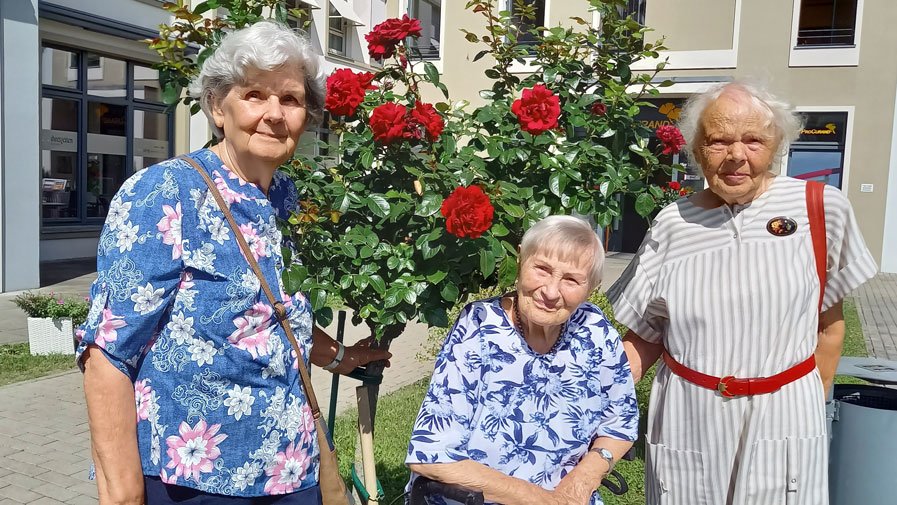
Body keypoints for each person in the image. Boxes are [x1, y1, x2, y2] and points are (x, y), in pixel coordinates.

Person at [77, 21, 390, 505]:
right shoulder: (165, 193)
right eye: (254, 95)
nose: (274, 114)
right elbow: (108, 354)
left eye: (290, 99)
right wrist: (121, 495)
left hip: (292, 470)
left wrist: (343, 357)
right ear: (219, 107)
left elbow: (269, 316)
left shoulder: (290, 199)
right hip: (196, 481)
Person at [607, 81, 878, 505]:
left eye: (754, 140)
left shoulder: (821, 208)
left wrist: (808, 406)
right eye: (719, 141)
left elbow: (829, 327)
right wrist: (589, 394)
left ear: (778, 146)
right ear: (697, 151)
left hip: (784, 414)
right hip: (688, 414)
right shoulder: (672, 223)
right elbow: (645, 333)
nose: (736, 155)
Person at [405, 215, 639, 505]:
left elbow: (620, 423)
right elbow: (433, 457)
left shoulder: (593, 329)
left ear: (592, 286)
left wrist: (582, 481)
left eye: (571, 280)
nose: (551, 292)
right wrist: (546, 501)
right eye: (542, 269)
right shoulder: (479, 326)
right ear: (520, 260)